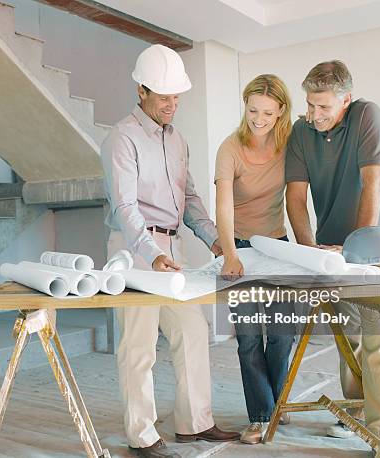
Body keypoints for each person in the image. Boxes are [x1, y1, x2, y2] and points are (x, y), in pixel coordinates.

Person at [101, 44, 240, 458]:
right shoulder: (121, 138)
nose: (172, 104)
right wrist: (151, 252)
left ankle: (194, 424)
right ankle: (141, 435)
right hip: (133, 250)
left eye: (176, 96)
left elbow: (191, 197)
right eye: (164, 96)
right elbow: (126, 208)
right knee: (138, 345)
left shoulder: (177, 139)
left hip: (171, 248)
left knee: (193, 329)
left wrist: (215, 238)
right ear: (142, 91)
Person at [285, 60, 380, 441]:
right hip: (329, 248)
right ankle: (356, 413)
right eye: (310, 105)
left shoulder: (368, 115)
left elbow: (374, 182)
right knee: (348, 337)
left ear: (345, 100)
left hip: (374, 249)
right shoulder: (302, 131)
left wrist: (356, 248)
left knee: (377, 338)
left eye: (324, 107)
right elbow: (296, 199)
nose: (314, 115)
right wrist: (307, 253)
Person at [214, 74, 295, 444]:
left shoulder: (290, 145)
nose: (258, 119)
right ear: (244, 108)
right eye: (252, 111)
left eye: (267, 112)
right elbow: (224, 205)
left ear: (281, 111)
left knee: (281, 335)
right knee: (248, 338)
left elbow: (297, 197)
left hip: (278, 245)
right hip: (241, 247)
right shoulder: (229, 148)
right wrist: (230, 252)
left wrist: (305, 248)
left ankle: (276, 407)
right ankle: (260, 416)